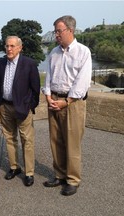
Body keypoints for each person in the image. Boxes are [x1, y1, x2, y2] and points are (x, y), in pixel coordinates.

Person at [42, 15, 92, 196]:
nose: (56, 35)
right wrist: (47, 95)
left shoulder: (83, 52)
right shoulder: (54, 53)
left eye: (58, 31)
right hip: (54, 99)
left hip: (73, 103)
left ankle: (72, 179)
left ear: (70, 31)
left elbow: (82, 81)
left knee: (72, 143)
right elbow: (48, 76)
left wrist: (67, 101)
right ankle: (59, 174)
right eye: (55, 31)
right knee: (56, 141)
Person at [0, 36, 40, 187]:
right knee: (9, 138)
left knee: (27, 140)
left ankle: (29, 172)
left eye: (12, 46)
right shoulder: (0, 63)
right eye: (7, 46)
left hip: (22, 107)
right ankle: (14, 167)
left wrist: (29, 105)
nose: (9, 49)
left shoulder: (29, 64)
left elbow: (35, 89)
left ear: (20, 47)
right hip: (5, 106)